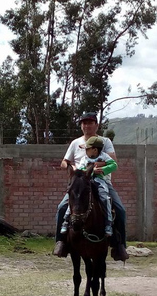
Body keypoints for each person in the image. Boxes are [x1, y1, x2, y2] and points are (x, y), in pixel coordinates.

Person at [54, 112, 128, 261]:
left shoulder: (105, 141)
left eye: (90, 123)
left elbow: (113, 160)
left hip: (102, 181)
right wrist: (72, 166)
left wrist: (93, 164)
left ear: (96, 125)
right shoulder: (75, 143)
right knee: (62, 207)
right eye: (84, 123)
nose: (86, 126)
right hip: (80, 184)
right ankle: (61, 241)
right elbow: (64, 162)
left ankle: (119, 245)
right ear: (81, 125)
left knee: (120, 210)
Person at [54, 136, 117, 257]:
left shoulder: (105, 154)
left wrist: (103, 169)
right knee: (66, 204)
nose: (85, 150)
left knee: (107, 200)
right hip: (83, 183)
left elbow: (114, 165)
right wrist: (86, 170)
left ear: (95, 150)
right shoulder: (83, 156)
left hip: (101, 182)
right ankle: (62, 236)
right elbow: (79, 169)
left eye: (87, 148)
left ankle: (114, 235)